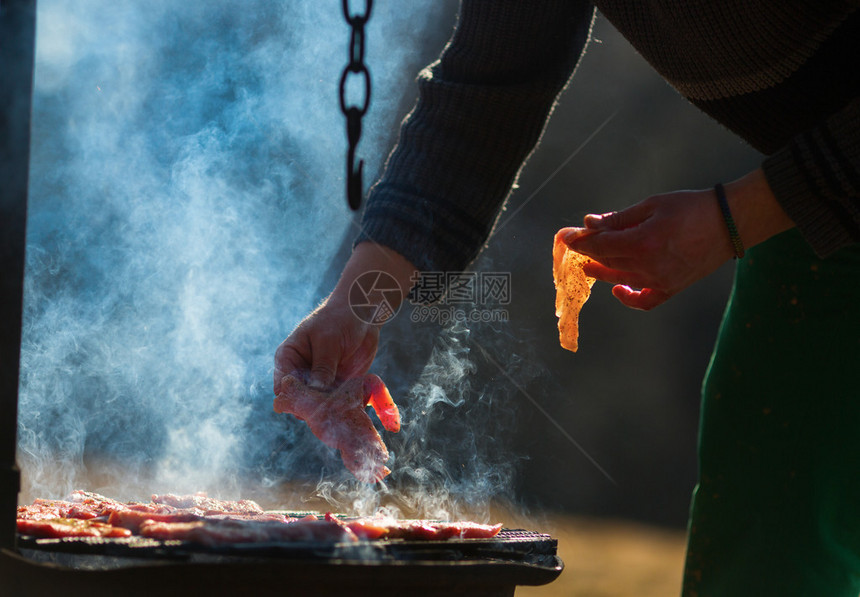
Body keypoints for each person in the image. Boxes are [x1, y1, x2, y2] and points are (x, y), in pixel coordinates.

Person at [275, 2, 860, 594]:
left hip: (806, 197)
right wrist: (354, 304)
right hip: (822, 216)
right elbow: (484, 95)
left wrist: (731, 215)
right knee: (764, 548)